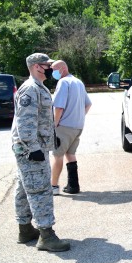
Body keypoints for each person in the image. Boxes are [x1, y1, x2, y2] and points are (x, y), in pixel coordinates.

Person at [11, 53, 70, 252]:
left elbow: (39, 119)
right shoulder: (30, 88)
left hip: (31, 147)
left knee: (24, 188)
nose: (52, 68)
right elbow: (24, 122)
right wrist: (33, 148)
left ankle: (25, 229)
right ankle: (46, 235)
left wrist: (52, 138)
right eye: (48, 65)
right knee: (40, 190)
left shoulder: (38, 87)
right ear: (37, 67)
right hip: (30, 150)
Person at [50, 60, 92, 195]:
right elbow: (88, 104)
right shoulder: (78, 82)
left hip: (64, 127)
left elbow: (59, 107)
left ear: (62, 69)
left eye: (54, 70)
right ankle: (73, 185)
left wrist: (54, 124)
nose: (52, 73)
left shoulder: (63, 83)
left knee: (57, 155)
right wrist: (79, 117)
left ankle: (53, 186)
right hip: (78, 126)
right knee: (70, 154)